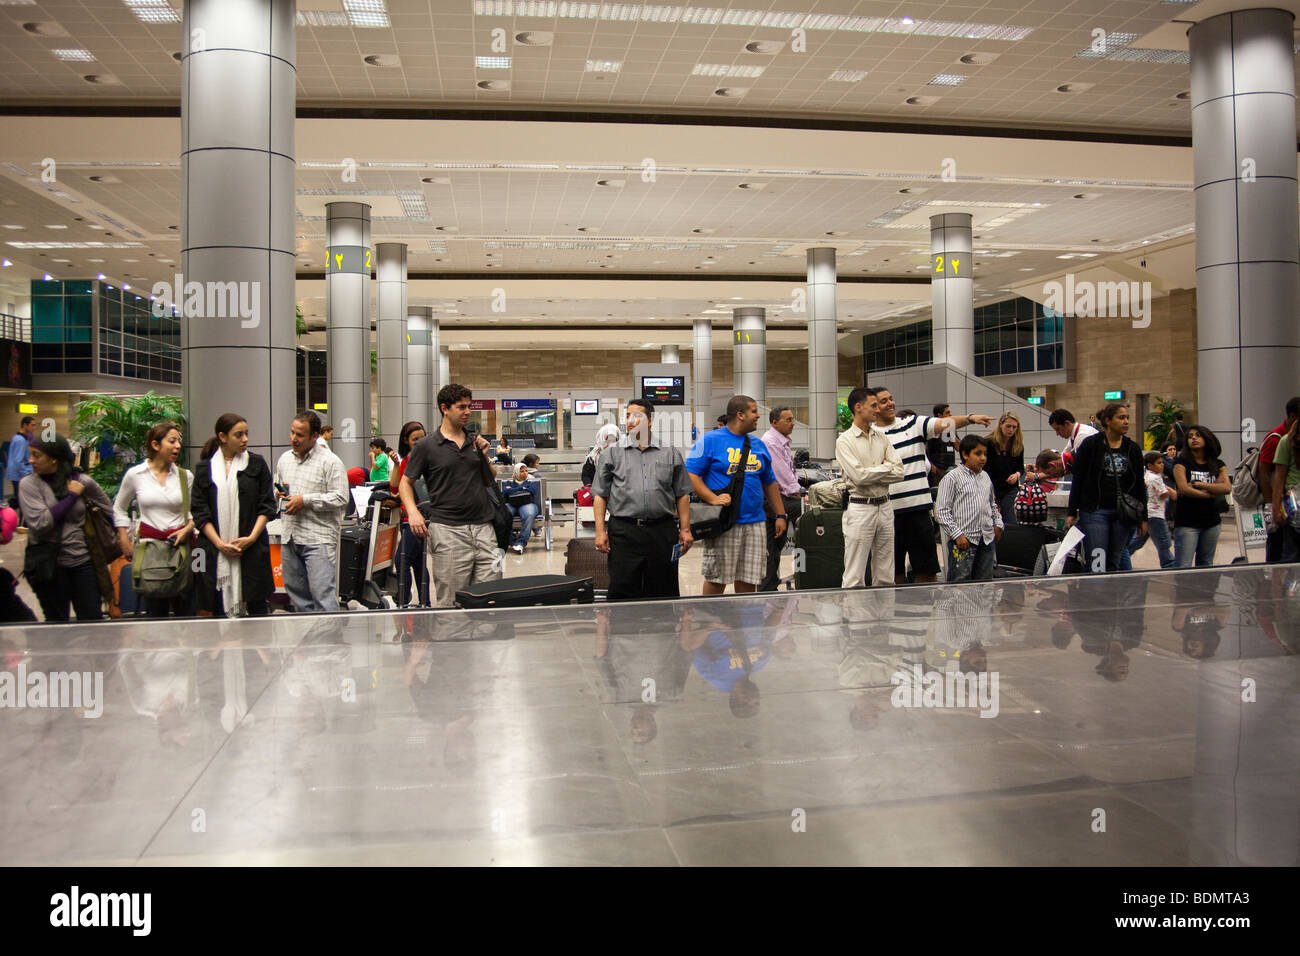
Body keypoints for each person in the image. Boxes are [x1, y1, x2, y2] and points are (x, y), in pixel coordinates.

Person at [871, 387, 992, 584]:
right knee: (892, 573)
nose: (891, 403)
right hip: (887, 513)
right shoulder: (870, 434)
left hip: (918, 511)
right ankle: (895, 611)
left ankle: (926, 611)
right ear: (874, 407)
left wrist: (970, 418)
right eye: (884, 401)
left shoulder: (912, 423)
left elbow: (944, 424)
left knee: (927, 570)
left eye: (891, 399)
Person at [399, 383, 502, 607]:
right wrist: (413, 512)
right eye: (461, 407)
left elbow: (489, 478)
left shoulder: (474, 442)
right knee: (453, 600)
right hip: (448, 530)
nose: (468, 412)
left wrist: (484, 456)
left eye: (469, 406)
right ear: (445, 408)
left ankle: (487, 639)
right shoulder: (426, 446)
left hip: (484, 528)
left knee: (492, 595)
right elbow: (405, 483)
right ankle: (453, 640)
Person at [592, 397, 693, 600]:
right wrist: (600, 532)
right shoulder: (612, 453)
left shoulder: (670, 453)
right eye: (627, 416)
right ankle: (622, 632)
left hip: (662, 532)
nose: (630, 421)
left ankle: (664, 631)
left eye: (636, 415)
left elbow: (682, 493)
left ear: (650, 420)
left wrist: (685, 529)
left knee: (664, 589)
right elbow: (600, 495)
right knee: (622, 588)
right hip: (624, 532)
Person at [686, 395, 786, 595]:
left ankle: (746, 623)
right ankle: (712, 621)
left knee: (749, 578)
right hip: (724, 523)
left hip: (756, 522)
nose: (758, 416)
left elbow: (769, 482)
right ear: (740, 415)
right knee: (717, 578)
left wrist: (781, 515)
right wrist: (712, 498)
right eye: (754, 411)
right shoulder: (710, 441)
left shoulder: (757, 445)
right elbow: (691, 474)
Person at [18, 434, 115, 622]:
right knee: (56, 622)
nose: (30, 460)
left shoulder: (82, 481)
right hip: (48, 565)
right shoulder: (29, 485)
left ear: (53, 458)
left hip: (83, 563)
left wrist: (120, 538)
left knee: (92, 620)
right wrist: (71, 497)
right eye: (30, 455)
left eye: (36, 455)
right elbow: (40, 524)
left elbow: (108, 511)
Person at [190, 413, 276, 618]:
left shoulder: (256, 464)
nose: (245, 439)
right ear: (223, 436)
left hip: (252, 546)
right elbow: (200, 512)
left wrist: (251, 538)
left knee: (257, 608)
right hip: (214, 549)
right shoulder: (205, 469)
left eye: (246, 433)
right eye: (239, 435)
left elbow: (267, 505)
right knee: (217, 609)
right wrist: (219, 543)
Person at [113, 421, 196, 617]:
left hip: (180, 549)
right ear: (155, 445)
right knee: (155, 607)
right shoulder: (136, 475)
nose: (177, 446)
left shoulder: (185, 477)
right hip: (150, 550)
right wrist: (123, 538)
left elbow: (195, 514)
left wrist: (187, 529)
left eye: (179, 441)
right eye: (172, 441)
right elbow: (119, 508)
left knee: (185, 608)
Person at [273, 411, 348, 612]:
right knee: (298, 598)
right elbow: (278, 487)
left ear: (314, 436)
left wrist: (305, 501)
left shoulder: (330, 462)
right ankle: (310, 642)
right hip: (290, 537)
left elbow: (341, 497)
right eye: (292, 433)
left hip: (318, 540)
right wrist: (279, 495)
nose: (293, 439)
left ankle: (331, 642)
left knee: (323, 597)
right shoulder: (284, 460)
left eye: (299, 435)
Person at [835, 387, 904, 589]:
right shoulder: (844, 441)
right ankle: (857, 620)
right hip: (860, 508)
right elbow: (859, 477)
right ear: (858, 407)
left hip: (885, 506)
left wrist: (873, 472)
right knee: (854, 576)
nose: (878, 410)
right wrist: (885, 467)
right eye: (873, 405)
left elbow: (900, 472)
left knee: (885, 575)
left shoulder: (882, 437)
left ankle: (883, 619)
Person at [1066, 403, 1146, 573]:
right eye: (1121, 418)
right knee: (1096, 560)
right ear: (1108, 421)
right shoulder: (1090, 445)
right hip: (1095, 511)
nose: (1126, 422)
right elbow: (1078, 478)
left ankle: (1111, 597)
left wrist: (1143, 518)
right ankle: (1096, 594)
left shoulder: (1132, 448)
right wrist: (1072, 511)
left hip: (1123, 512)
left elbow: (1139, 483)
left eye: (1127, 418)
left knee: (1114, 561)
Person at [935, 435, 1003, 582]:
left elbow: (992, 505)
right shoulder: (951, 478)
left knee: (985, 585)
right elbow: (941, 511)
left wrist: (998, 524)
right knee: (961, 587)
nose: (983, 458)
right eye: (978, 454)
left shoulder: (986, 477)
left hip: (986, 540)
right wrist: (957, 535)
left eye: (985, 454)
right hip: (963, 541)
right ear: (965, 454)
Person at [1171, 424, 1231, 568]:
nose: (1194, 439)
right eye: (1190, 436)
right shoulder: (1181, 462)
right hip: (1187, 522)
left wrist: (1199, 484)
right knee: (1183, 566)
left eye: (1198, 435)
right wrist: (1211, 494)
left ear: (1207, 439)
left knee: (1206, 564)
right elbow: (1184, 488)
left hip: (1212, 522)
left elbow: (1227, 488)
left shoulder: (1218, 464)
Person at [759, 405, 804, 591]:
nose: (793, 423)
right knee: (771, 548)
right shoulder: (770, 441)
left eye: (793, 419)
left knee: (775, 546)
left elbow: (790, 473)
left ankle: (770, 585)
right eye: (789, 420)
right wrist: (800, 495)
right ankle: (767, 589)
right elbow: (782, 475)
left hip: (782, 499)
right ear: (775, 422)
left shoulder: (782, 442)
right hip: (775, 500)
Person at [389, 420, 429, 607]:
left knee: (402, 560)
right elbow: (395, 487)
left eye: (422, 439)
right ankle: (424, 603)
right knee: (419, 563)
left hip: (420, 518)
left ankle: (404, 603)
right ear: (406, 441)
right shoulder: (407, 460)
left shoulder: (424, 459)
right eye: (415, 440)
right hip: (409, 519)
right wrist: (397, 465)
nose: (419, 443)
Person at [1259, 397, 1300, 563]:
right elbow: (1271, 475)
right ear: (1292, 416)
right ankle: (1277, 587)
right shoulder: (1280, 439)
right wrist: (1273, 508)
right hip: (1291, 507)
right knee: (1285, 553)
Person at [1127, 451, 1176, 569]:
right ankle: (1169, 563)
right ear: (1150, 465)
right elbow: (1163, 494)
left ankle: (1122, 556)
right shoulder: (1155, 478)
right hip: (1156, 514)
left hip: (1148, 514)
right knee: (1164, 542)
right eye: (1159, 463)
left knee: (1138, 539)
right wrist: (1171, 493)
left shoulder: (1147, 476)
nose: (1162, 465)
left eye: (1162, 463)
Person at [984, 411, 1025, 527]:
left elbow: (1020, 468)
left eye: (1014, 427)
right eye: (1008, 426)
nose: (1011, 430)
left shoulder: (1018, 445)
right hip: (990, 487)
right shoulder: (988, 443)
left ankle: (1010, 543)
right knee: (989, 521)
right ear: (1000, 424)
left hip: (1009, 489)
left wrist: (1017, 475)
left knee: (1010, 520)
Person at [501, 453, 542, 554]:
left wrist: (514, 490)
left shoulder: (532, 480)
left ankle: (521, 543)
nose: (525, 473)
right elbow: (504, 492)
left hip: (528, 504)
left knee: (529, 514)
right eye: (522, 471)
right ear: (516, 472)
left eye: (526, 471)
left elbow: (532, 491)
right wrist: (522, 488)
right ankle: (512, 541)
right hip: (512, 504)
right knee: (502, 514)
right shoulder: (509, 481)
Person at [5, 414, 34, 517]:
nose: (34, 427)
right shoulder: (21, 440)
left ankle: (11, 517)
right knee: (22, 500)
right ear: (25, 425)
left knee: (20, 498)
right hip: (19, 474)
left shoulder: (17, 437)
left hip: (15, 473)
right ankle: (10, 517)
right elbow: (18, 460)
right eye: (32, 425)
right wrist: (26, 474)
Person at [925, 402, 956, 484]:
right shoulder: (933, 430)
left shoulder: (950, 428)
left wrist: (951, 432)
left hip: (950, 468)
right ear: (939, 415)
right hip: (938, 469)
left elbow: (958, 447)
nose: (950, 414)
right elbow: (926, 449)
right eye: (947, 413)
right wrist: (932, 466)